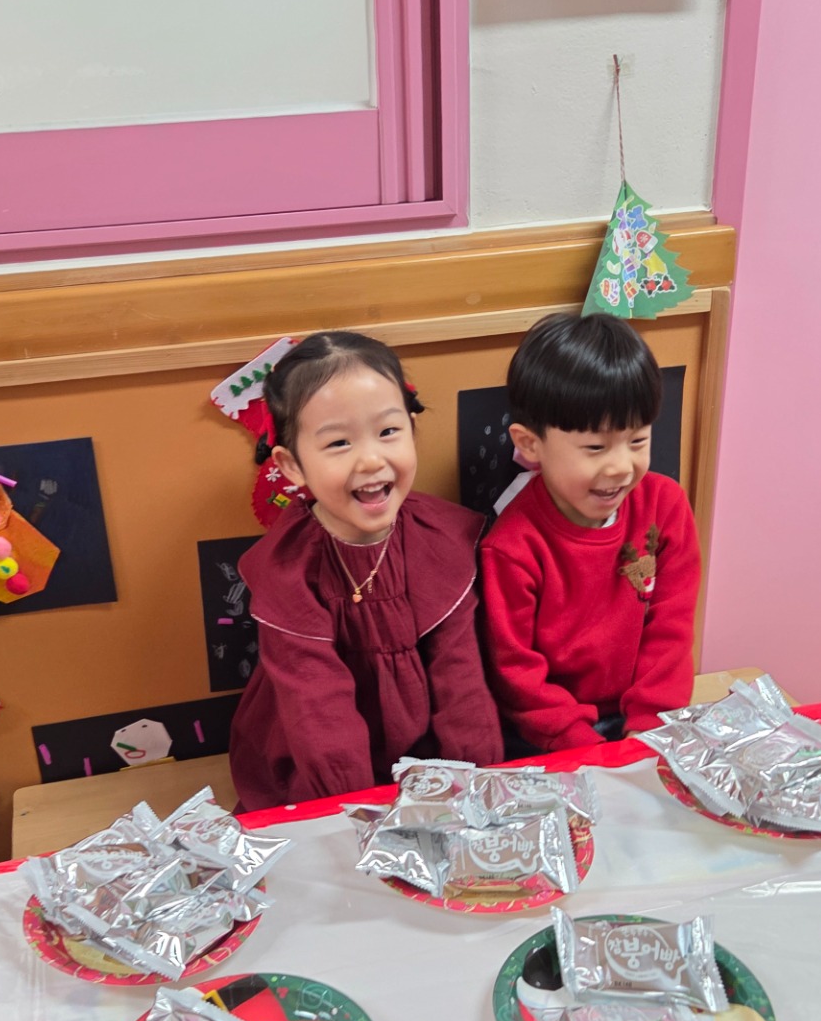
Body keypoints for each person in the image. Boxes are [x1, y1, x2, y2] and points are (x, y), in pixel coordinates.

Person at [229, 332, 502, 809]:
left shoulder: (438, 540)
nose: (372, 459)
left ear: (412, 431)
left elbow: (460, 683)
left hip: (422, 754)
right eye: (339, 442)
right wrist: (354, 809)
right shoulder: (289, 569)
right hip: (319, 762)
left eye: (389, 432)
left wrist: (479, 785)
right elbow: (317, 710)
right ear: (292, 465)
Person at [481, 313, 700, 754]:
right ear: (529, 444)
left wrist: (647, 730)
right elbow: (517, 674)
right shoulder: (511, 546)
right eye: (595, 448)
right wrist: (584, 748)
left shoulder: (666, 507)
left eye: (637, 441)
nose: (620, 467)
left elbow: (671, 633)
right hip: (552, 733)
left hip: (645, 722)